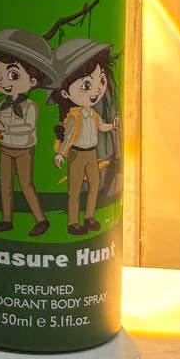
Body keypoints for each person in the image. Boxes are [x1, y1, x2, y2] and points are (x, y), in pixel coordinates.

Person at [0, 28, 55, 236]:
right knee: (5, 184)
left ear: (33, 81)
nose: (2, 81)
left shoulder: (30, 107)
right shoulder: (2, 106)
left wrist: (4, 127)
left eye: (13, 75)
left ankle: (42, 220)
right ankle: (6, 220)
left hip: (24, 149)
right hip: (5, 148)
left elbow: (28, 127)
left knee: (26, 184)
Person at [50, 38, 120, 235]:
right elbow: (68, 136)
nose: (97, 89)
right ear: (65, 94)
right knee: (74, 190)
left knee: (94, 185)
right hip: (77, 154)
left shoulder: (92, 113)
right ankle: (73, 222)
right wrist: (60, 154)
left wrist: (113, 126)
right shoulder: (74, 116)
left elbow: (102, 127)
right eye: (87, 85)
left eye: (101, 81)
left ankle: (89, 217)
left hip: (92, 153)